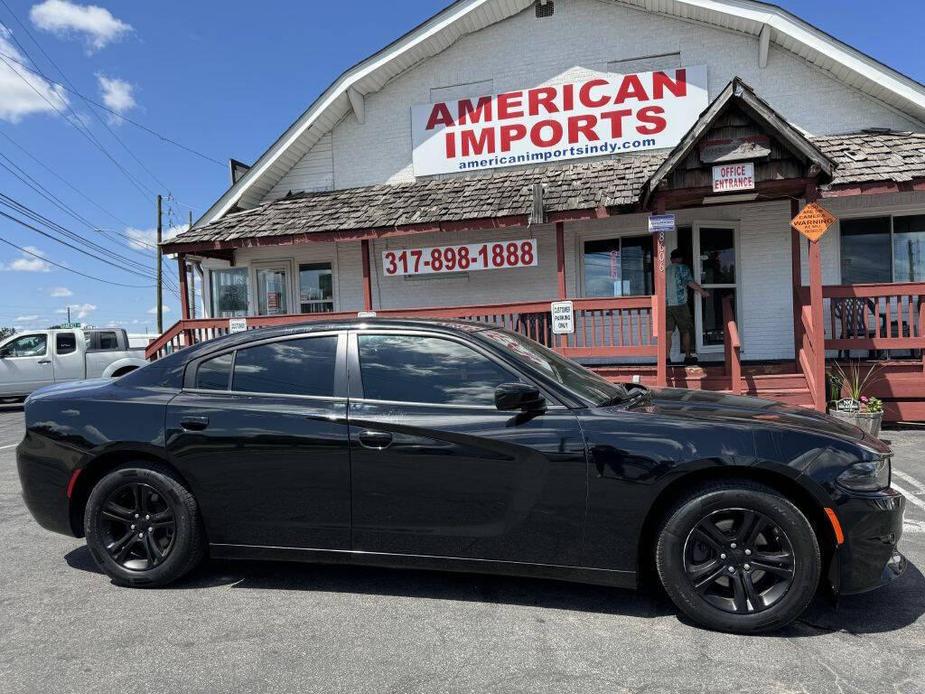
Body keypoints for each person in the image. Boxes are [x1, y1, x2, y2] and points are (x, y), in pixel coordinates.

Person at [666, 249, 710, 366]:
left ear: (671, 259)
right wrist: (702, 292)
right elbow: (690, 282)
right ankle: (687, 356)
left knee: (668, 333)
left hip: (666, 305)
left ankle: (667, 359)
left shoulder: (665, 270)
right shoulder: (683, 268)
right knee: (685, 331)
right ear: (680, 259)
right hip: (680, 304)